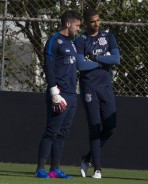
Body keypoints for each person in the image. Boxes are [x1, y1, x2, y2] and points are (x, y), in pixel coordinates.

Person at [73, 8, 120, 179]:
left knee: (111, 127)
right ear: (86, 22)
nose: (96, 24)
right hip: (89, 88)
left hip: (105, 87)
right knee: (95, 125)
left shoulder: (108, 37)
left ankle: (88, 157)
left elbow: (116, 59)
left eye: (98, 20)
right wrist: (103, 60)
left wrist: (94, 59)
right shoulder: (81, 40)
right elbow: (81, 65)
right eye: (92, 21)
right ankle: (98, 169)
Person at [35, 11, 81, 179]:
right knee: (52, 131)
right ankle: (40, 169)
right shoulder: (54, 41)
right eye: (77, 25)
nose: (78, 29)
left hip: (72, 94)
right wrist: (54, 91)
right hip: (59, 93)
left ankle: (55, 169)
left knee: (62, 132)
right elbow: (49, 66)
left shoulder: (73, 43)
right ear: (68, 24)